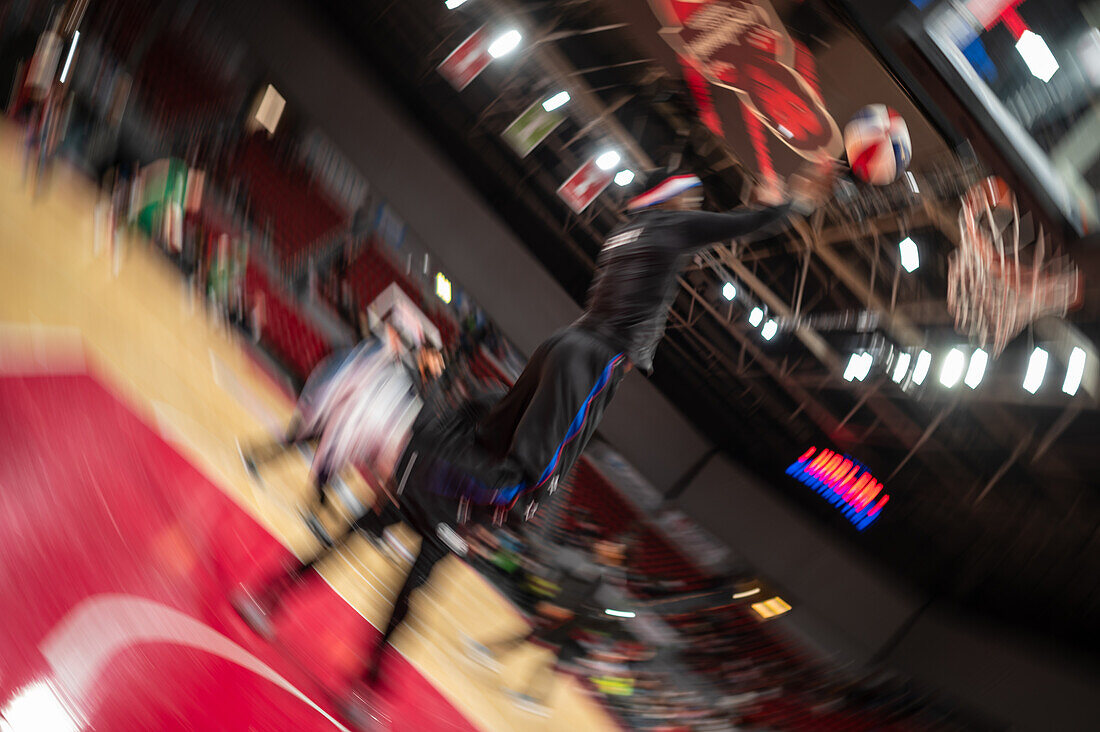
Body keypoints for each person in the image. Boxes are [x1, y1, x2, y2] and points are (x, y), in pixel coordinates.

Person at [234, 163, 835, 726]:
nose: (694, 207)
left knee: (388, 519)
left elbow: (493, 424)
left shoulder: (631, 231)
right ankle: (364, 685)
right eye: (689, 199)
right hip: (584, 361)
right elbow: (735, 227)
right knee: (523, 489)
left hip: (556, 348)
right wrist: (790, 203)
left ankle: (274, 595)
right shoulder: (669, 229)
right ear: (671, 198)